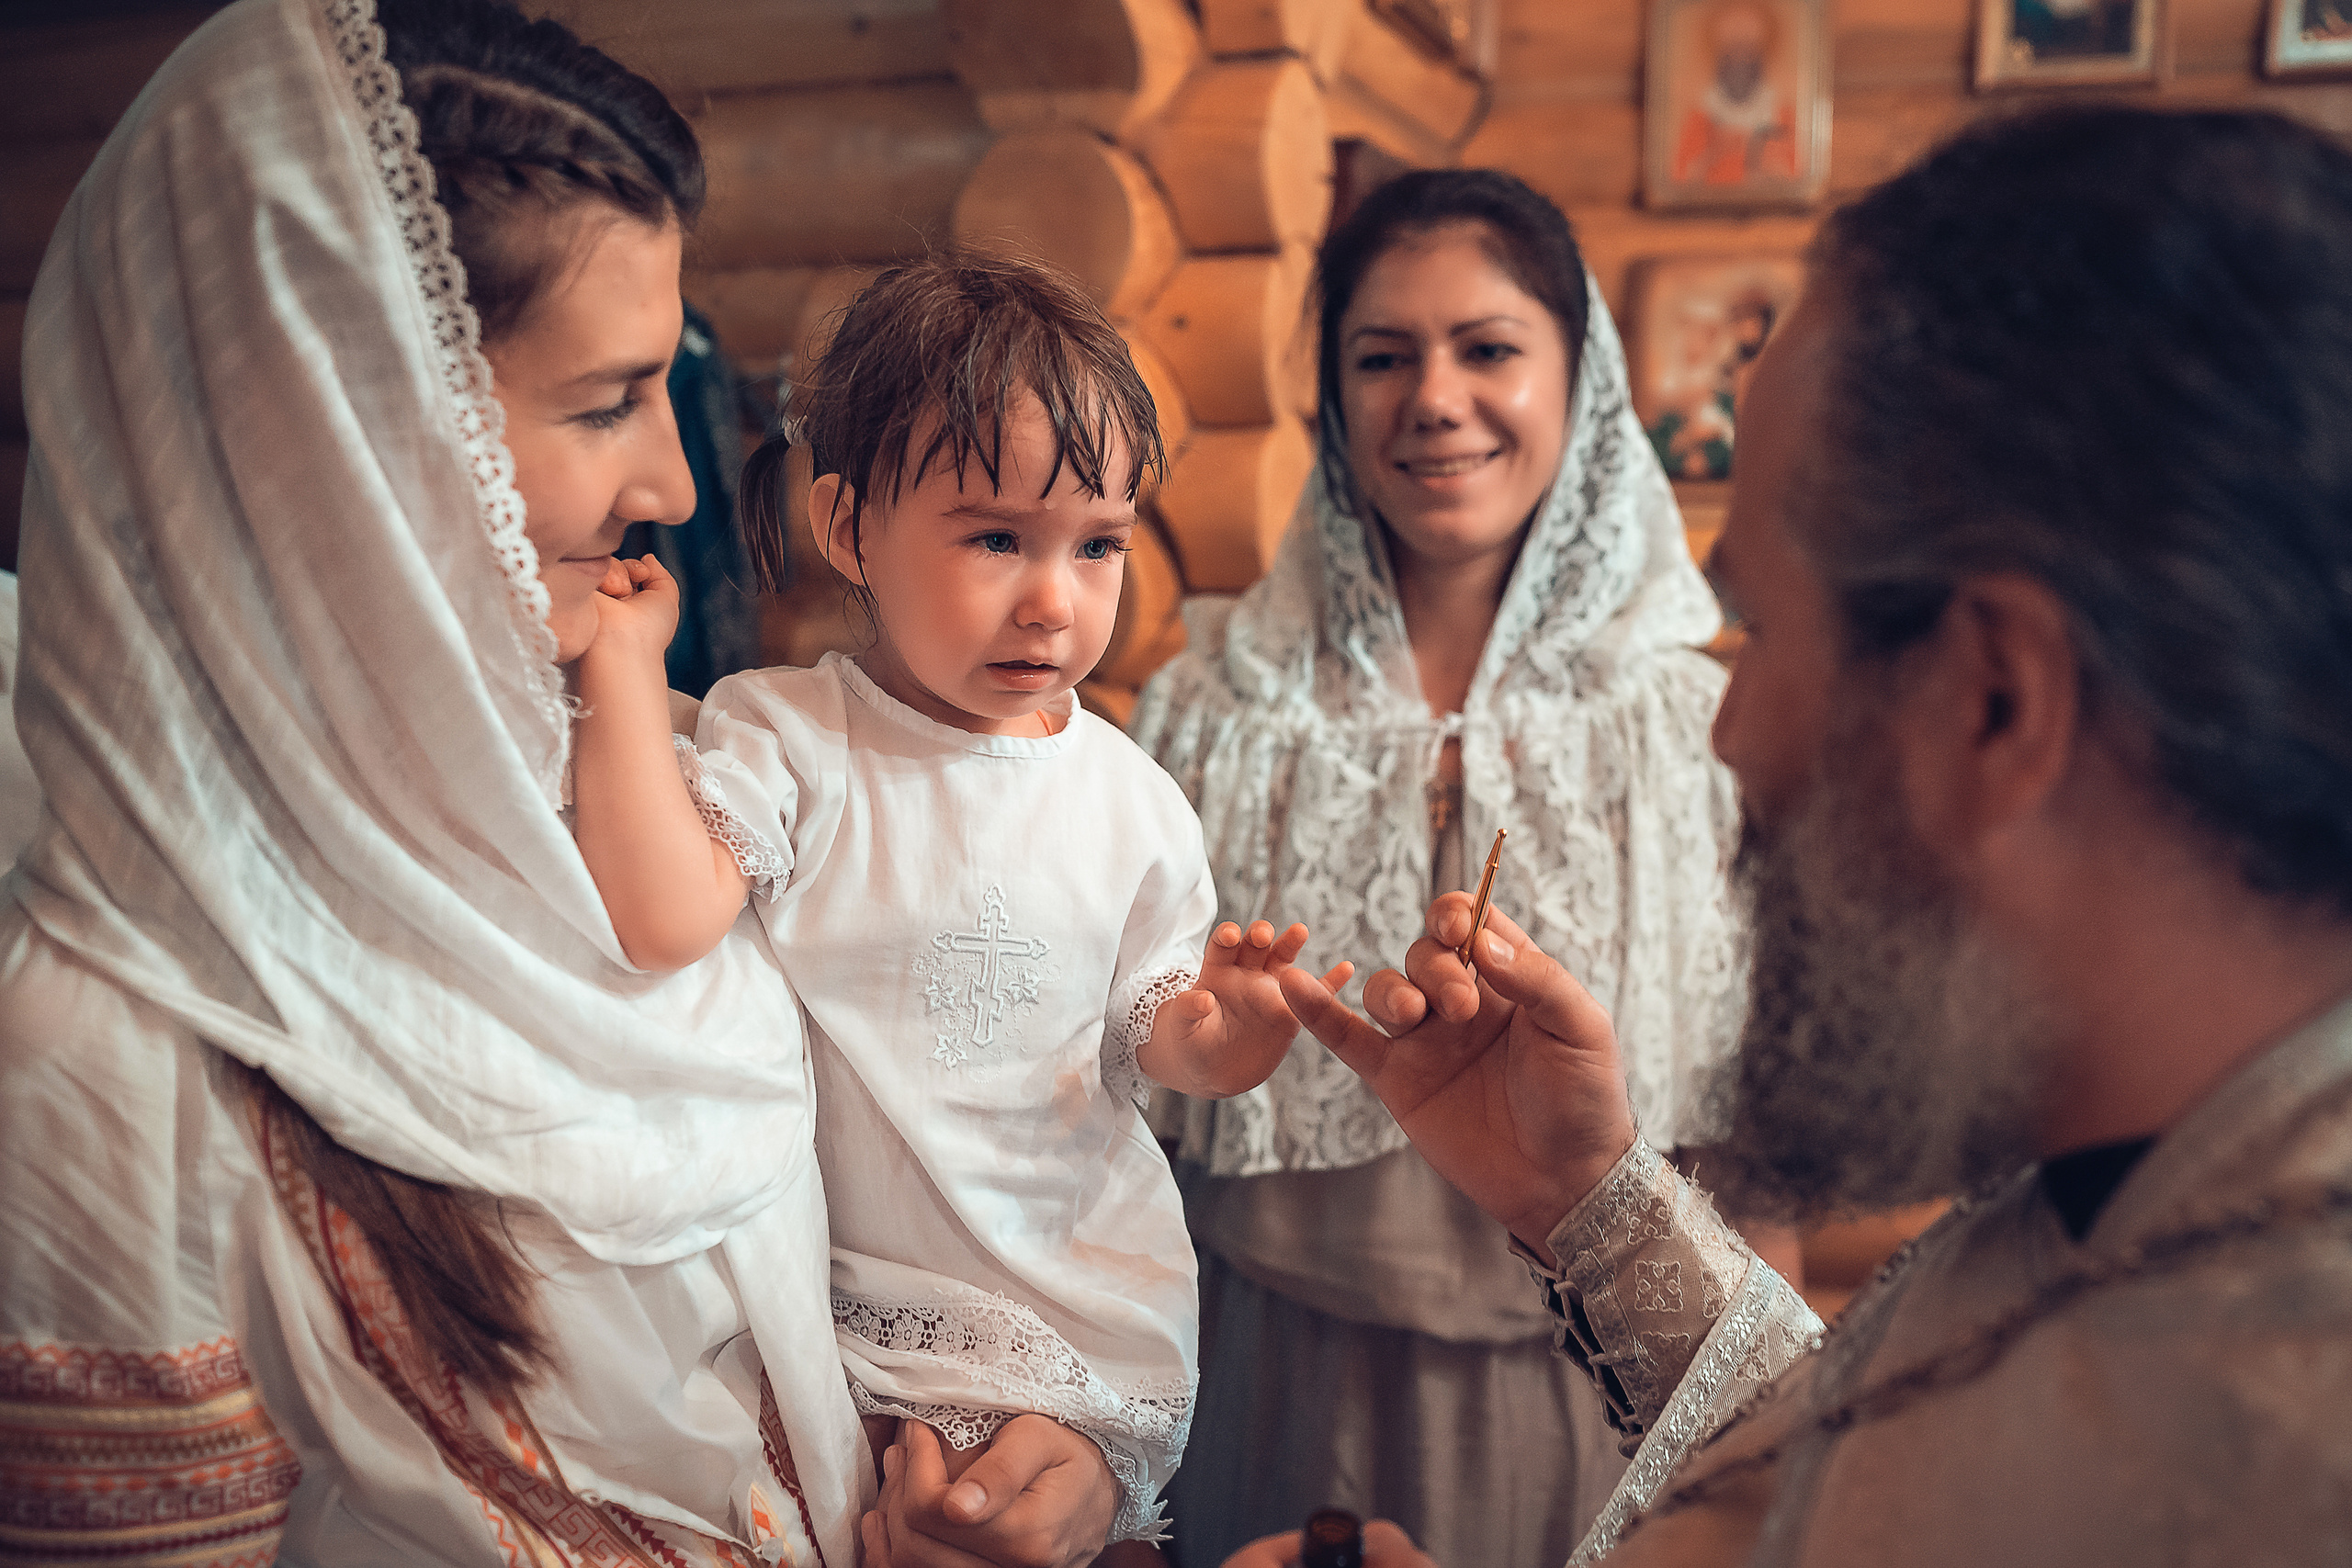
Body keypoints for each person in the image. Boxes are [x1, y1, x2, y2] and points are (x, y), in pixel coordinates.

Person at [0, 4, 1123, 1564]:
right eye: (605, 401)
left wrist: (993, 1460)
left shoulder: (641, 784)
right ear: (331, 430)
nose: (671, 483)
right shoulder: (101, 1061)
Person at [1250, 105, 2352, 1565]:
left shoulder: (2285, 1434)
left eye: (1761, 628)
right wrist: (1579, 1196)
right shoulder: (2128, 1181)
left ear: (1994, 699)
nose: (1727, 730)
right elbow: (1868, 1447)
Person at [567, 251, 1327, 1551]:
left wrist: (1242, 1022)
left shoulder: (1131, 798)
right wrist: (630, 672)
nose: (1054, 598)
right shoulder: (791, 737)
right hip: (846, 1321)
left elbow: (1168, 1038)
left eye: (1098, 544)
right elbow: (661, 914)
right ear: (847, 525)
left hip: (1080, 1314)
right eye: (995, 537)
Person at [1132, 170, 1764, 1568]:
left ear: (1577, 381)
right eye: (1383, 354)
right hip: (1268, 1360)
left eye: (1487, 347)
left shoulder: (1689, 718)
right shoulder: (1213, 707)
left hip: (1581, 1384)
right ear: (1330, 399)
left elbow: (1744, 1119)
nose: (1434, 396)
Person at [1671, 1, 1797, 187]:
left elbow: (1792, 176)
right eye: (1731, 48)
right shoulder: (1700, 118)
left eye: (1748, 48)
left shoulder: (1781, 117)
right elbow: (1681, 179)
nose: (1740, 61)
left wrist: (1768, 163)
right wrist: (1712, 154)